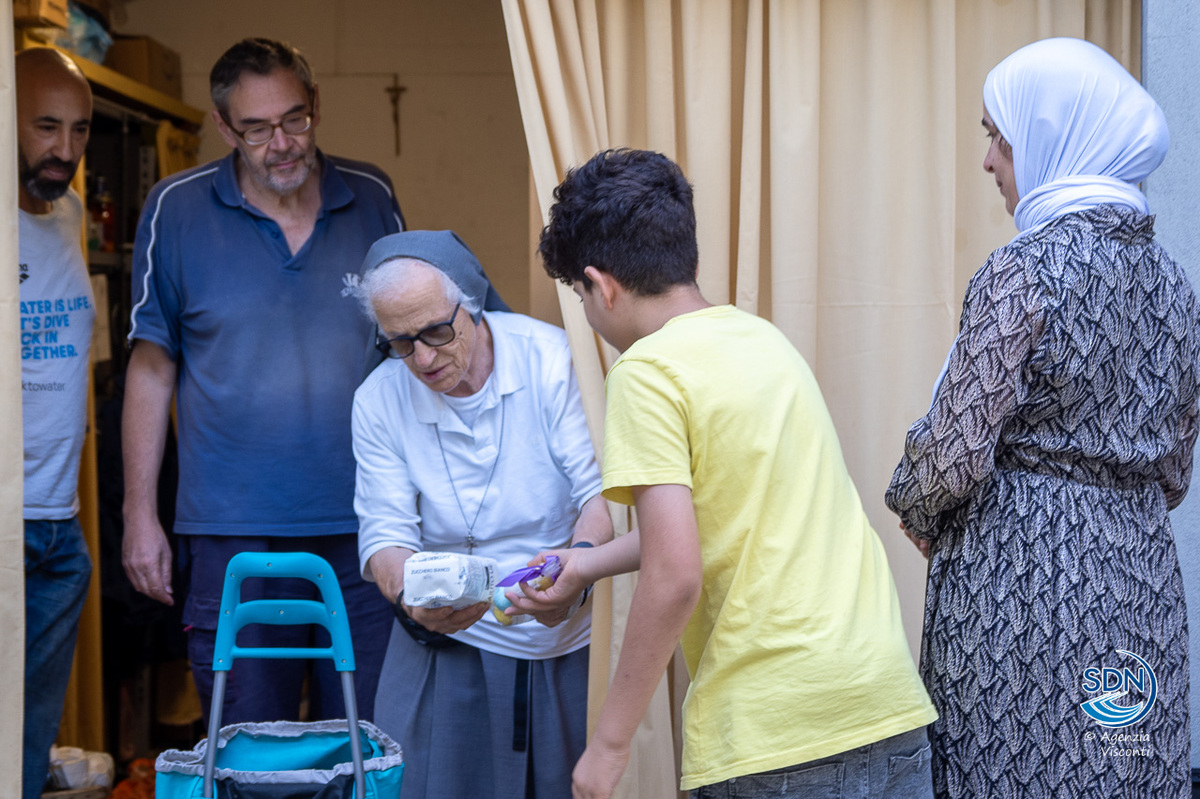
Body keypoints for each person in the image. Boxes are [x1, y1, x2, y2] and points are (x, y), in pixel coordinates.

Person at [519, 148, 938, 799]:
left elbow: (674, 571)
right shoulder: (762, 340)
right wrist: (587, 563)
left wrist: (607, 745)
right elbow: (724, 520)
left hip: (775, 734)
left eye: (577, 294)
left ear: (601, 285)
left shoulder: (647, 371)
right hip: (882, 704)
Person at [884, 37, 1198, 799]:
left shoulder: (1022, 270)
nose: (989, 160)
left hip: (1020, 586)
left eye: (999, 135)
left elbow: (953, 450)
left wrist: (916, 504)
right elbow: (1175, 471)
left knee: (1013, 776)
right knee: (1123, 767)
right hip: (1137, 574)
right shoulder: (1175, 286)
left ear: (1056, 138)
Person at [122, 37, 425, 726]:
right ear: (225, 128)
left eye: (294, 119)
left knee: (370, 743)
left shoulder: (372, 196)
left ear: (316, 105)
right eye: (256, 130)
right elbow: (151, 366)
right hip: (234, 533)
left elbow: (411, 350)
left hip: (369, 527)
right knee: (249, 751)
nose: (281, 143)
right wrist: (140, 515)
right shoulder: (176, 210)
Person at [352, 229, 613, 798]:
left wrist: (579, 570)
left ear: (471, 303)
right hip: (448, 635)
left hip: (559, 626)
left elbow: (602, 496)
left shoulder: (552, 359)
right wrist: (410, 598)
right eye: (400, 342)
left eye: (436, 332)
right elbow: (385, 534)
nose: (422, 358)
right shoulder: (379, 398)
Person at [15, 47, 95, 799]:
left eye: (77, 131)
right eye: (45, 127)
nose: (64, 150)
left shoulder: (67, 213)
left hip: (59, 525)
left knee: (28, 734)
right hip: (6, 518)